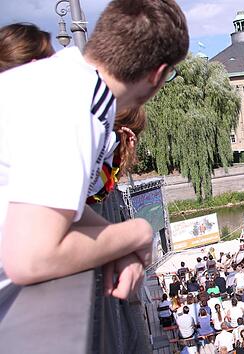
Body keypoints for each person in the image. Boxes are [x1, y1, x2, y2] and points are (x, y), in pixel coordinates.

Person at [0, 0, 189, 319]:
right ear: (157, 75)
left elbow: (57, 209)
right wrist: (139, 233)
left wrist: (121, 244)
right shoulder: (75, 109)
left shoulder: (62, 83)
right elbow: (30, 259)